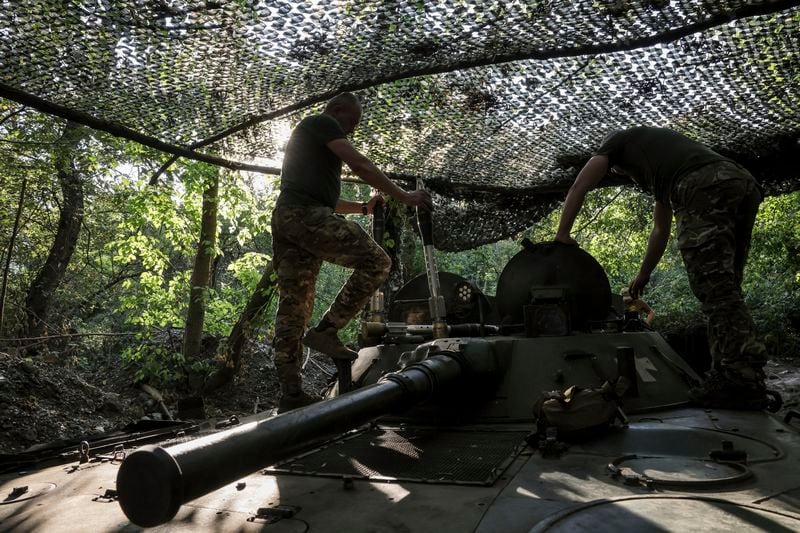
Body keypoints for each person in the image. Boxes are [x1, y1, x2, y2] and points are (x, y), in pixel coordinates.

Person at [554, 126, 767, 409]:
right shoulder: (664, 168)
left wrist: (563, 234)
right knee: (725, 290)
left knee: (714, 289)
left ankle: (737, 380)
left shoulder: (614, 143)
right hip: (742, 183)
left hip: (704, 184)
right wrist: (644, 273)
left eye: (619, 173)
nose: (625, 177)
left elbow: (580, 186)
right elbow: (660, 229)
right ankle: (743, 374)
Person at [271, 92, 432, 412]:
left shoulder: (309, 139)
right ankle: (327, 331)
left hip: (289, 218)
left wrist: (361, 207)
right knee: (376, 261)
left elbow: (324, 201)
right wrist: (405, 196)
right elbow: (358, 163)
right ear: (338, 110)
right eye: (352, 123)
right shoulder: (322, 122)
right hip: (303, 215)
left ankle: (291, 393)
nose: (352, 130)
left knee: (295, 305)